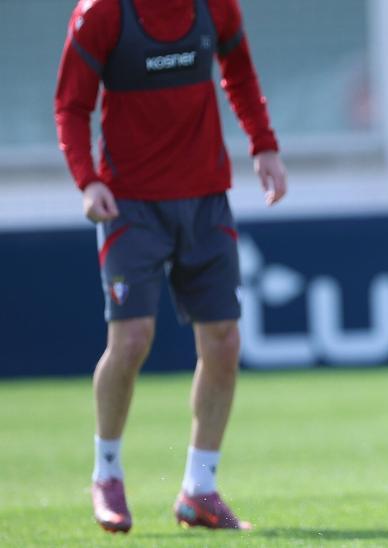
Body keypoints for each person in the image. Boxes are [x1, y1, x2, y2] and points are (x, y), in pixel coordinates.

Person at [55, 0, 287, 533]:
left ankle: (199, 490)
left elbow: (239, 73)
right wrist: (87, 179)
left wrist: (264, 145)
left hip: (205, 199)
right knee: (131, 339)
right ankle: (107, 473)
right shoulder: (102, 14)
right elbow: (71, 105)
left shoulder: (216, 7)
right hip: (129, 205)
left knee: (224, 342)